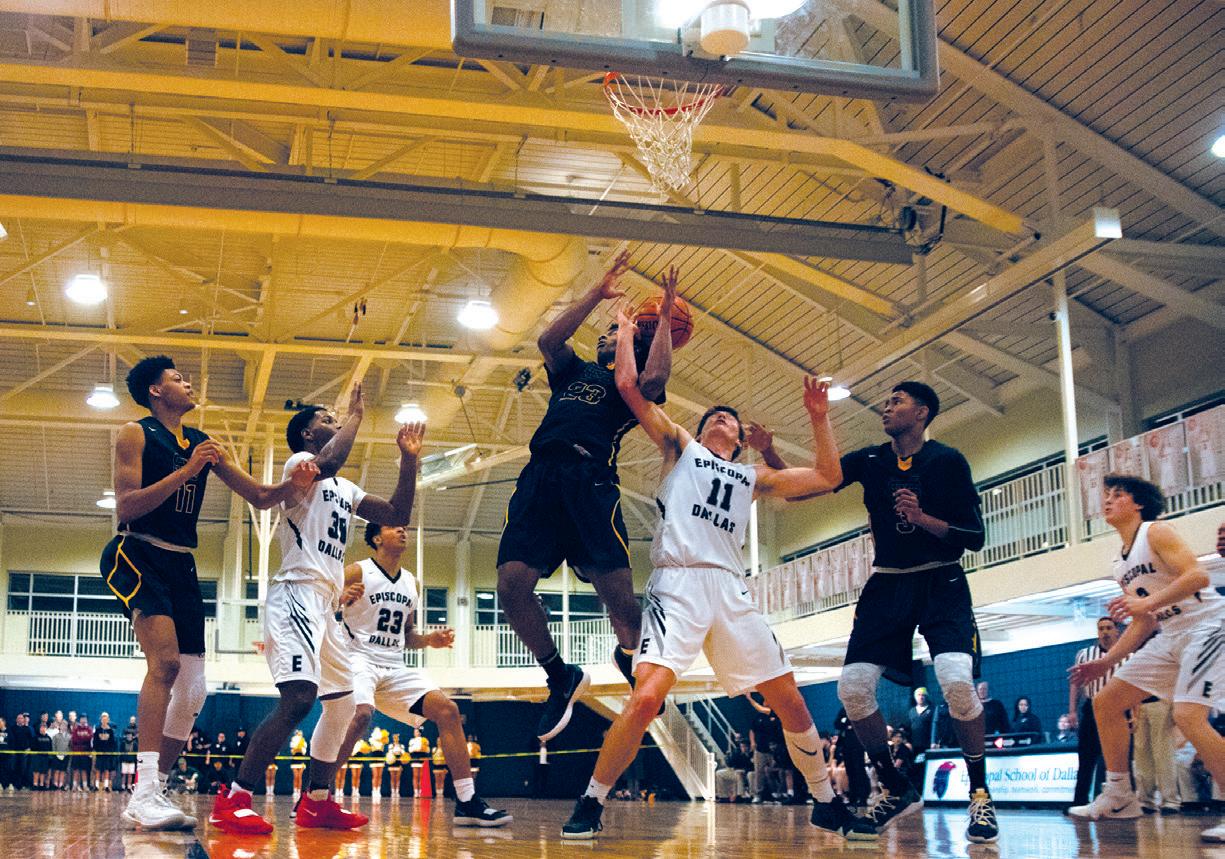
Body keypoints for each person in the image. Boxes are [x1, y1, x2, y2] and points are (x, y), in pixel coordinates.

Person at [561, 309, 849, 840]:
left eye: (729, 419)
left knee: (789, 698)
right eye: (713, 416)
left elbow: (829, 476)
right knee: (646, 699)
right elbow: (627, 386)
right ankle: (591, 800)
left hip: (730, 587)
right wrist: (628, 332)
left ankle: (826, 800)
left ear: (739, 439)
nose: (720, 419)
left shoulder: (751, 476)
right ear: (700, 429)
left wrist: (818, 417)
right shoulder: (680, 448)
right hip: (679, 584)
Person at [103, 355, 321, 830]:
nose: (187, 383)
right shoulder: (136, 433)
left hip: (181, 562)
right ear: (156, 391)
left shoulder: (203, 442)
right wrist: (187, 470)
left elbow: (260, 496)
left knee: (194, 688)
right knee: (165, 664)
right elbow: (127, 506)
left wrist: (294, 484)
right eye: (176, 379)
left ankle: (155, 790)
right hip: (136, 550)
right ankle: (143, 790)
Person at [209, 390, 424, 835]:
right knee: (299, 699)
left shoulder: (346, 489)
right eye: (327, 419)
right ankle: (234, 799)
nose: (336, 421)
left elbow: (397, 512)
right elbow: (329, 463)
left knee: (344, 705)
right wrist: (358, 415)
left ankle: (317, 802)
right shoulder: (302, 466)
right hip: (296, 594)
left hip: (325, 605)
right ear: (308, 434)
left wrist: (409, 460)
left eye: (337, 418)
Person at [800, 382, 994, 842]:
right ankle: (895, 786)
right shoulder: (871, 459)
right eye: (887, 402)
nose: (886, 408)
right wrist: (795, 435)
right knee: (852, 689)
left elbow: (974, 536)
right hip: (887, 583)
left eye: (897, 401)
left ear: (922, 412)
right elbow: (814, 483)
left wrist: (923, 518)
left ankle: (980, 795)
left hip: (941, 580)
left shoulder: (948, 461)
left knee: (956, 682)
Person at [497, 255, 675, 742]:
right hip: (541, 478)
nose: (604, 336)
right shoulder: (574, 372)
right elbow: (548, 341)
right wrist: (597, 293)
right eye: (606, 332)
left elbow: (656, 379)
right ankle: (560, 675)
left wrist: (662, 318)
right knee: (511, 586)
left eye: (614, 333)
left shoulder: (630, 387)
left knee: (621, 602)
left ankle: (630, 656)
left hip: (590, 482)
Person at [1067, 474, 1224, 846]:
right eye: (1106, 495)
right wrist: (1108, 661)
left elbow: (1198, 576)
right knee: (1106, 701)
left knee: (1188, 715)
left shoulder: (1156, 532)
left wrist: (1148, 602)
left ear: (1138, 504)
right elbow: (1144, 622)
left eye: (1118, 495)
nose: (1108, 500)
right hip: (1171, 633)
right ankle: (1120, 794)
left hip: (1207, 625)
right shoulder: (1120, 563)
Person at [332, 520, 509, 822]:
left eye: (404, 528)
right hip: (357, 659)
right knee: (361, 715)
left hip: (394, 665)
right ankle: (316, 792)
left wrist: (429, 640)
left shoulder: (411, 583)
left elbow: (407, 633)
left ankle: (467, 801)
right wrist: (340, 599)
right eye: (393, 527)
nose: (403, 531)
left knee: (448, 710)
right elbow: (318, 605)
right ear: (377, 538)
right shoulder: (357, 571)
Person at [1068, 616, 1122, 808]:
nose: (1105, 632)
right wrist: (1072, 710)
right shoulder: (1085, 654)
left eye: (1109, 628)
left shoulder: (1127, 653)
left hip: (1118, 707)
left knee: (1115, 757)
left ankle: (1116, 800)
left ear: (1117, 631)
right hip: (1091, 707)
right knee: (1085, 757)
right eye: (1101, 629)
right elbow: (1075, 684)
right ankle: (1079, 801)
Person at [1134, 695, 1180, 814]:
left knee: (1164, 753)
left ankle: (1170, 800)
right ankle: (1145, 800)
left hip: (1162, 700)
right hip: (1139, 701)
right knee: (1141, 754)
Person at [92, 712, 119, 791]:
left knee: (106, 769)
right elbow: (95, 741)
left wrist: (110, 751)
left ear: (108, 720)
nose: (104, 720)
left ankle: (106, 786)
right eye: (103, 719)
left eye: (106, 719)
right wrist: (96, 750)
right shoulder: (98, 730)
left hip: (107, 754)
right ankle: (96, 786)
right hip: (99, 753)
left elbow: (112, 743)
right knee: (98, 769)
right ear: (101, 720)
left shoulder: (110, 731)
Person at [69, 714, 93, 791]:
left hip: (85, 753)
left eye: (84, 719)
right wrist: (84, 739)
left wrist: (83, 739)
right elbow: (74, 739)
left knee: (84, 770)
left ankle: (85, 786)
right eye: (82, 719)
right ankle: (74, 786)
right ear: (79, 720)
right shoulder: (76, 729)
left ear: (87, 720)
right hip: (76, 752)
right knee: (76, 770)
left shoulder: (89, 729)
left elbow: (90, 739)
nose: (83, 720)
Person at [51, 717, 70, 790]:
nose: (63, 727)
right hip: (57, 756)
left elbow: (69, 746)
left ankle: (61, 784)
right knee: (57, 771)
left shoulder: (69, 736)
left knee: (62, 771)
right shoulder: (56, 736)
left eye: (65, 725)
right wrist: (55, 754)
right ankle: (55, 784)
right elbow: (53, 746)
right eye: (62, 725)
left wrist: (66, 754)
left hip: (65, 756)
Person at [31, 723, 52, 790]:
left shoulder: (48, 738)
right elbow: (33, 747)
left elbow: (50, 748)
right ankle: (35, 784)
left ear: (46, 729)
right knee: (36, 771)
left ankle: (41, 784)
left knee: (43, 771)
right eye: (42, 727)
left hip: (45, 757)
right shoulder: (35, 737)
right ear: (39, 729)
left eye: (44, 727)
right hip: (37, 757)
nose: (43, 729)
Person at [120, 716, 138, 791]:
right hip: (125, 760)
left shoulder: (135, 743)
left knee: (131, 774)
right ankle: (123, 786)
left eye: (133, 720)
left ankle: (129, 787)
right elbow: (121, 752)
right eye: (131, 720)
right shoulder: (123, 743)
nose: (129, 736)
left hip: (132, 760)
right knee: (124, 774)